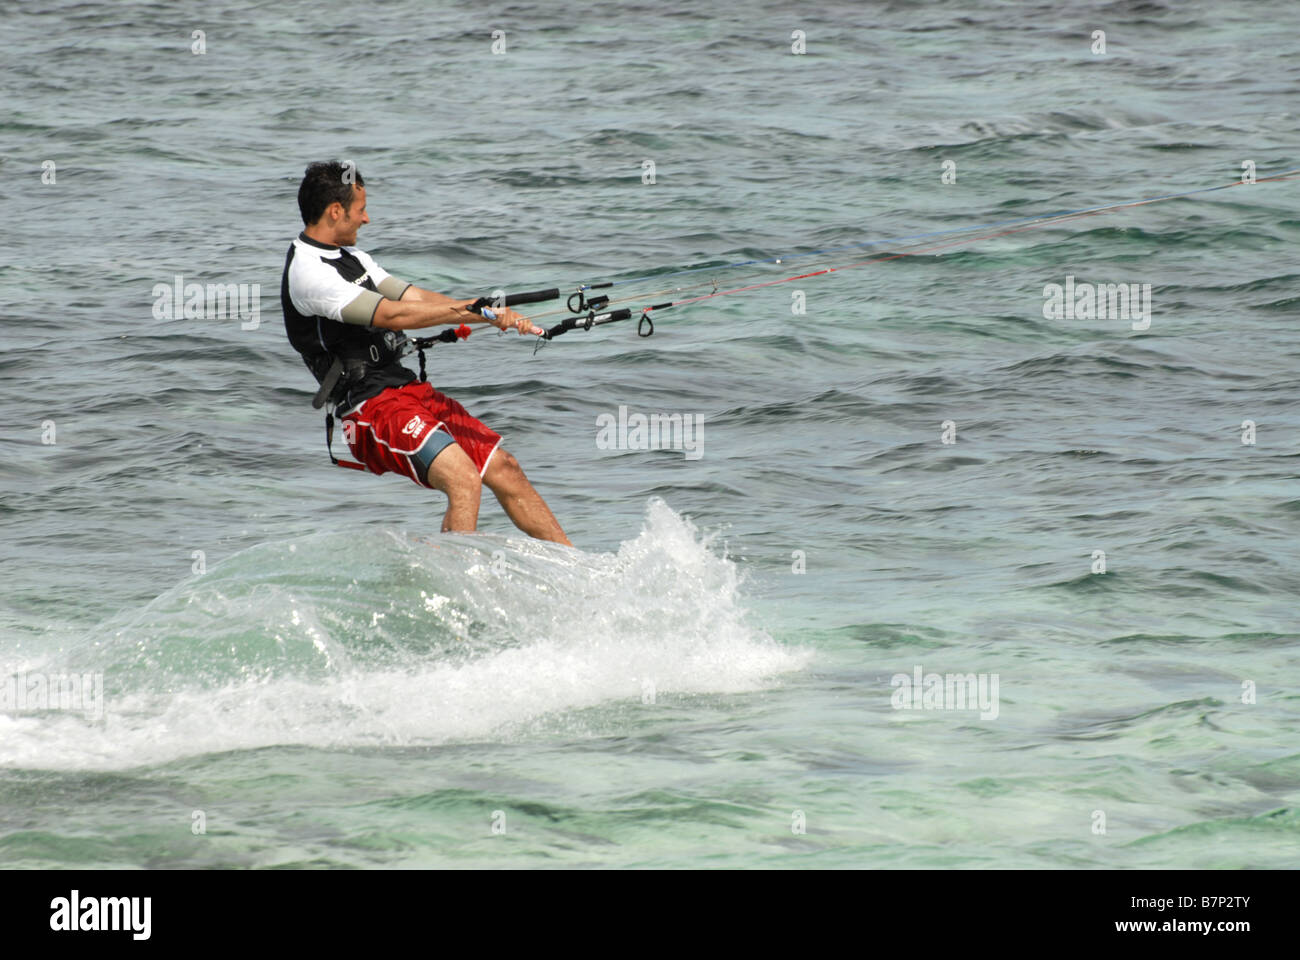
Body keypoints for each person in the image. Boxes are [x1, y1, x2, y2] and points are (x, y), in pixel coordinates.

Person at [281, 161, 571, 546]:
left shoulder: (354, 259)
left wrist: (487, 311)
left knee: (504, 467)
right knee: (464, 479)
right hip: (369, 408)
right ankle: (453, 591)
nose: (366, 219)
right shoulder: (309, 273)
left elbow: (412, 297)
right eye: (360, 209)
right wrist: (476, 312)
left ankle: (578, 567)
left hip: (405, 391)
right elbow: (393, 314)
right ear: (336, 210)